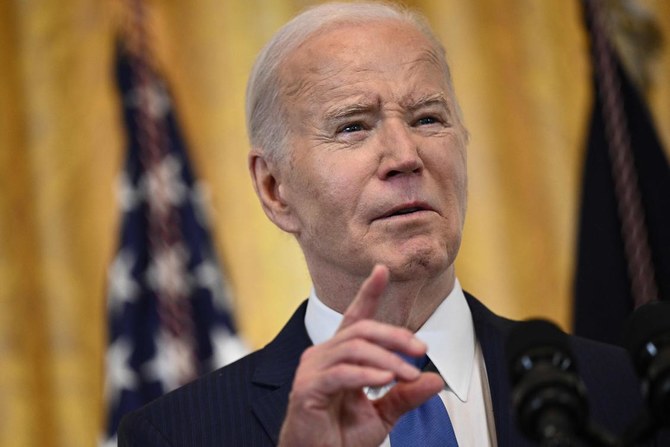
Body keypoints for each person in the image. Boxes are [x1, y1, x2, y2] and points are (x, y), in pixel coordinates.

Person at [118, 2, 667, 446]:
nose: (405, 155)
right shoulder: (180, 433)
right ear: (274, 189)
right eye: (353, 127)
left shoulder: (624, 394)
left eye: (428, 118)